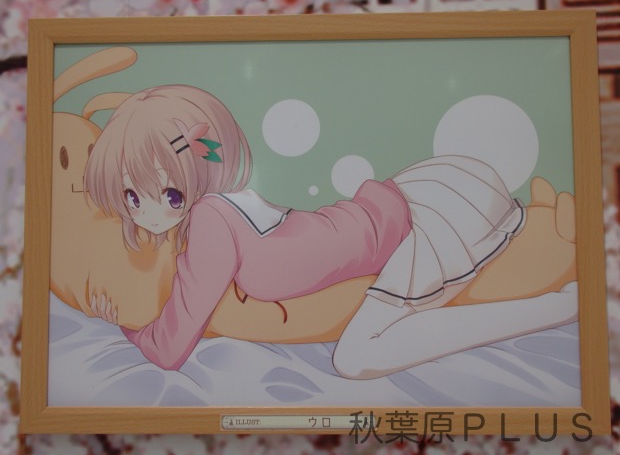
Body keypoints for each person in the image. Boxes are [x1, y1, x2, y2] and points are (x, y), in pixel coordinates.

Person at [85, 84, 577, 379]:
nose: (147, 213)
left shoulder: (213, 220)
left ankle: (554, 308)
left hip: (424, 216)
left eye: (168, 194)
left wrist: (127, 331)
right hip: (408, 202)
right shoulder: (224, 212)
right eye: (133, 198)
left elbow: (172, 344)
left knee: (356, 358)